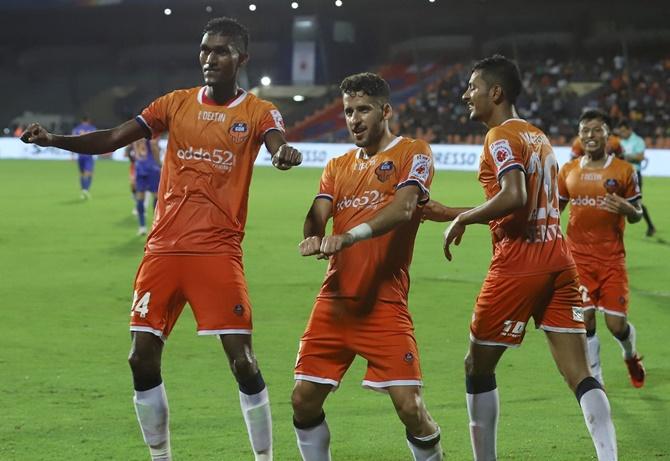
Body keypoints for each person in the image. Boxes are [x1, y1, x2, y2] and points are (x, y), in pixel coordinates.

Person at [21, 17, 302, 461]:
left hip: (216, 252)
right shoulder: (174, 104)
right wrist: (54, 140)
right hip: (163, 249)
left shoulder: (259, 112)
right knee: (140, 357)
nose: (210, 58)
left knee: (243, 363)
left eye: (222, 51)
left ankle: (265, 458)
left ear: (242, 59)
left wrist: (283, 152)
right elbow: (114, 137)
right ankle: (161, 458)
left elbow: (275, 142)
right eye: (206, 49)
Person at [422, 55, 617, 460]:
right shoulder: (538, 136)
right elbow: (515, 201)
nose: (465, 95)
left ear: (496, 92)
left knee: (477, 366)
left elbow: (514, 196)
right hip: (559, 257)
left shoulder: (498, 137)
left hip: (518, 261)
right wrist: (451, 212)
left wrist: (460, 220)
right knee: (579, 375)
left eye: (473, 87)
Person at [293, 72, 443, 461]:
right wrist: (314, 232)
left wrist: (350, 236)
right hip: (335, 301)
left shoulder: (414, 151)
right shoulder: (337, 165)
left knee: (410, 408)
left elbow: (406, 207)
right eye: (348, 111)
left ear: (386, 110)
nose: (354, 119)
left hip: (384, 302)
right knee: (303, 401)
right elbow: (319, 210)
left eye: (363, 110)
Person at [558, 109, 645, 388]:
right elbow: (554, 210)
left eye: (596, 130)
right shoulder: (568, 170)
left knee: (616, 326)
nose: (590, 136)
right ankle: (596, 378)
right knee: (586, 320)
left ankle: (630, 355)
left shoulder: (624, 171)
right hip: (578, 259)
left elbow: (638, 213)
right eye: (584, 131)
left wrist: (628, 208)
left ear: (608, 134)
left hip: (611, 259)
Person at [617, 120, 656, 236]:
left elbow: (640, 157)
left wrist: (624, 157)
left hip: (634, 175)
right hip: (621, 175)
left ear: (629, 129)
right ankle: (615, 227)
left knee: (636, 202)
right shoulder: (620, 142)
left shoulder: (638, 141)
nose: (622, 134)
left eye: (624, 131)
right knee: (615, 199)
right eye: (620, 132)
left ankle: (650, 226)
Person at [127, 138, 162, 235]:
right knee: (156, 197)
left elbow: (132, 153)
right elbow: (154, 146)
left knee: (140, 197)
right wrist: (159, 164)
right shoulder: (150, 135)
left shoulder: (135, 136)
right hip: (152, 168)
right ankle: (156, 226)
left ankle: (142, 227)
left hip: (139, 167)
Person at [71, 116, 97, 199]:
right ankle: (86, 189)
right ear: (88, 120)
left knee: (82, 174)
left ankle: (83, 191)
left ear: (81, 120)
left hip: (80, 154)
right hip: (88, 154)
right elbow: (97, 141)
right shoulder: (92, 129)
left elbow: (72, 142)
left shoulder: (76, 129)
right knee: (89, 173)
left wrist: (72, 155)